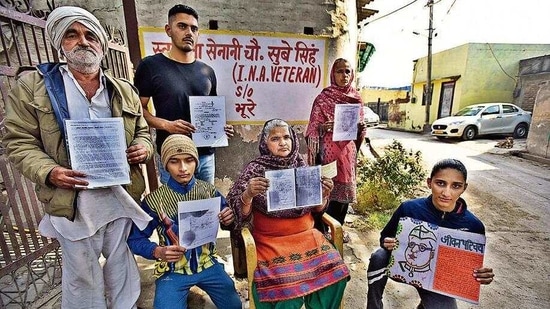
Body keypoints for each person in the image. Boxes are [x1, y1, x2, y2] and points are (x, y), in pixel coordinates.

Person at [2, 6, 154, 308]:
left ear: (100, 43)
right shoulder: (34, 87)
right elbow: (18, 141)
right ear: (60, 43)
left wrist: (143, 147)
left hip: (120, 195)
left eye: (89, 35)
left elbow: (143, 130)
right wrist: (49, 172)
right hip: (71, 199)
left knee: (121, 261)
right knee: (82, 273)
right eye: (72, 35)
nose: (83, 41)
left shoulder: (122, 89)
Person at [227, 118, 350, 309]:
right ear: (265, 143)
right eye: (275, 138)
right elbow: (240, 215)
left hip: (308, 237)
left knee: (335, 275)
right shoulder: (255, 170)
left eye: (286, 137)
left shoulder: (302, 167)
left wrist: (324, 195)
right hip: (271, 241)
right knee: (287, 292)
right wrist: (248, 194)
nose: (282, 142)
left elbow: (317, 210)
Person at [127, 134, 242, 309]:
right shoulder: (154, 201)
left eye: (189, 160)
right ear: (165, 164)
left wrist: (229, 218)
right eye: (174, 161)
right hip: (173, 270)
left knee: (234, 305)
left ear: (196, 162)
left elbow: (229, 224)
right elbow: (134, 239)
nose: (183, 168)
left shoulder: (209, 192)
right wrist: (157, 251)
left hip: (208, 264)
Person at [366, 158, 495, 309]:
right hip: (402, 267)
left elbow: (468, 267)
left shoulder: (473, 225)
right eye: (440, 183)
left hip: (437, 280)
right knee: (379, 256)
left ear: (464, 188)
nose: (446, 192)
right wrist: (388, 242)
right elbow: (385, 237)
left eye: (456, 186)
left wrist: (480, 275)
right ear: (429, 183)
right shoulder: (409, 208)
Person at [134, 4, 233, 185]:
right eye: (182, 26)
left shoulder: (207, 71)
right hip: (174, 157)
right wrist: (166, 125)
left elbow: (211, 111)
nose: (189, 32)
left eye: (194, 28)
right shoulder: (151, 66)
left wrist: (220, 128)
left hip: (205, 157)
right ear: (168, 30)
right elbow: (138, 109)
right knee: (174, 209)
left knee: (205, 208)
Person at [305, 58, 366, 243]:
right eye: (340, 71)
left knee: (344, 194)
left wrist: (361, 127)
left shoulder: (356, 98)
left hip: (347, 153)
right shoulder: (323, 98)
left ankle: (337, 228)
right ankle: (322, 230)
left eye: (347, 71)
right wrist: (324, 127)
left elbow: (359, 130)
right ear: (333, 74)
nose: (344, 75)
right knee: (327, 191)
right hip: (329, 153)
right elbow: (312, 129)